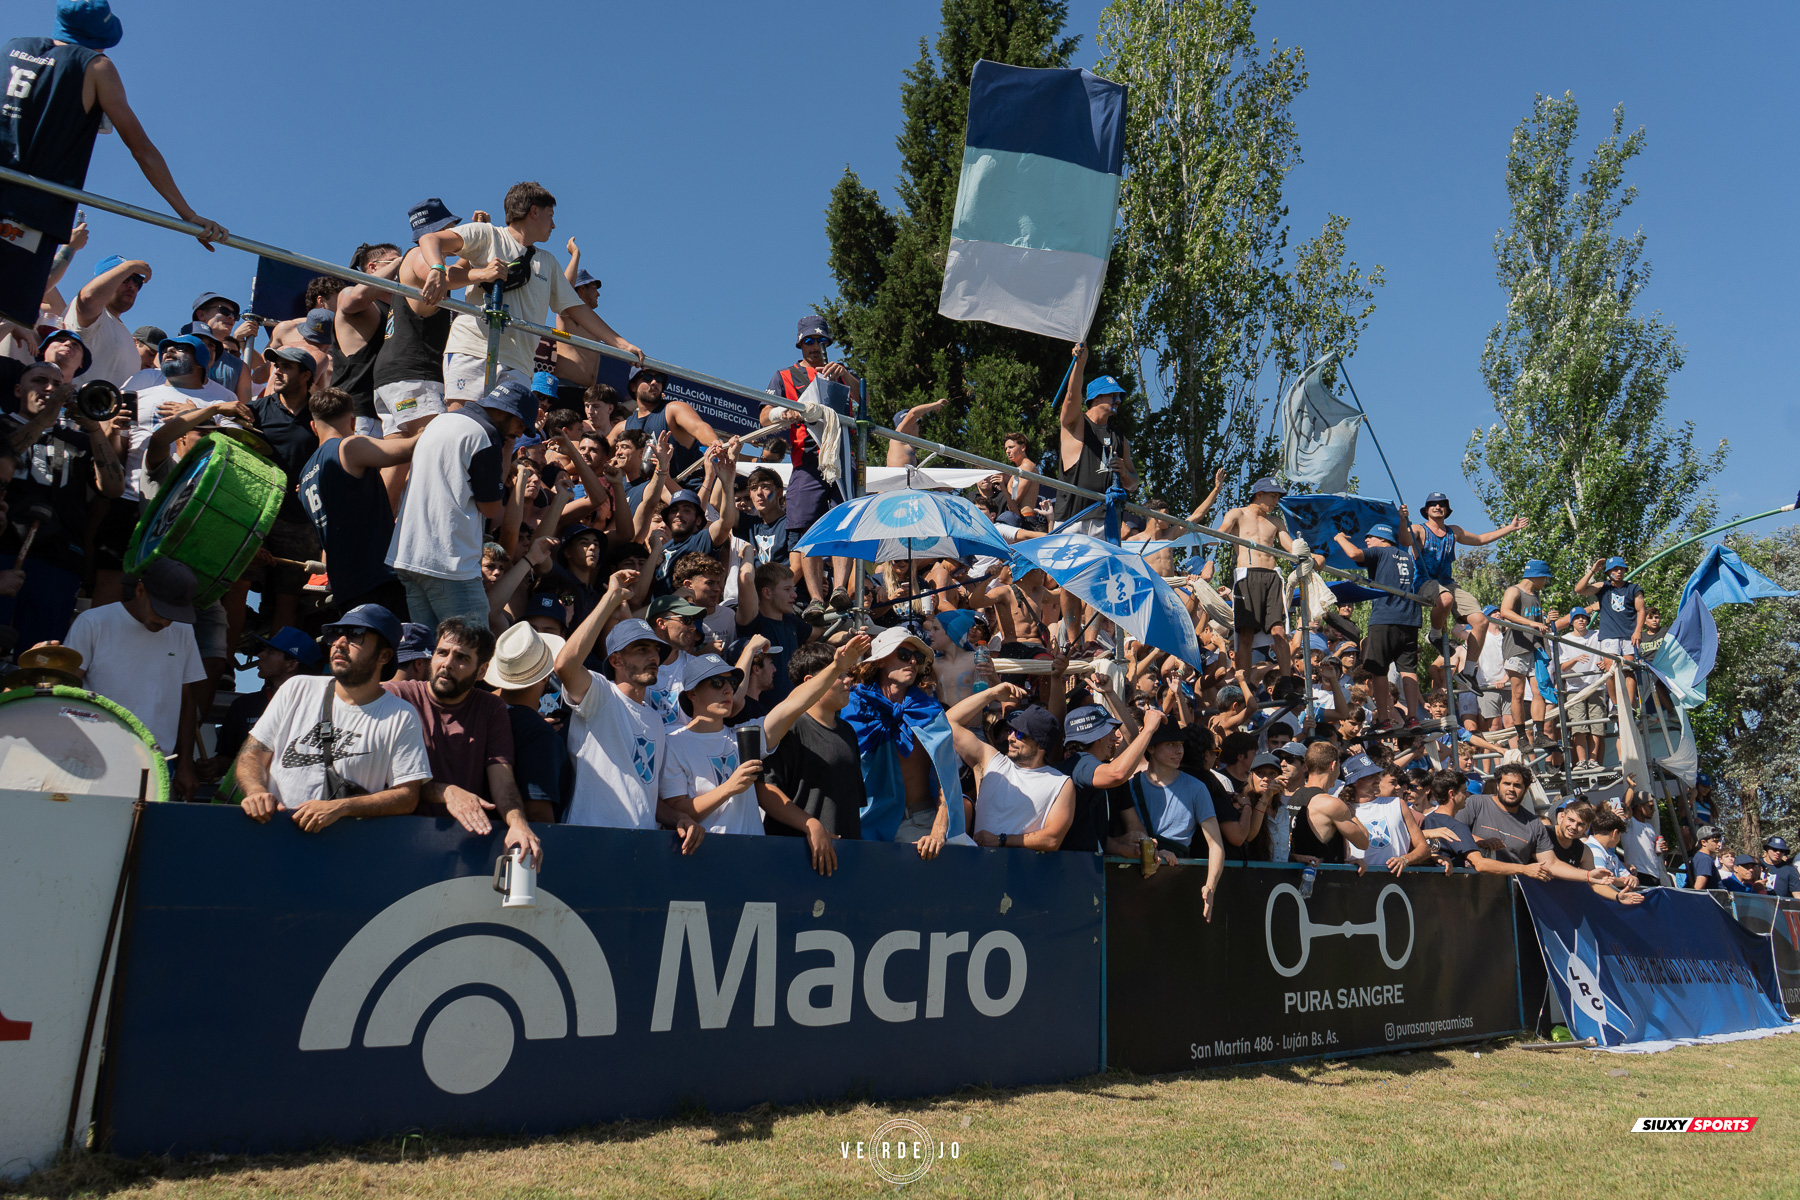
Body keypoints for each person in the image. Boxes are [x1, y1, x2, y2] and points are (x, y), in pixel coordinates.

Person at [1, 1, 225, 329]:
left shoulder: (12, 47)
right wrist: (187, 215)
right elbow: (142, 149)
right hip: (28, 209)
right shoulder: (96, 66)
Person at [418, 181, 643, 403]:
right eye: (551, 215)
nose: (553, 225)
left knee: (503, 438)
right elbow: (430, 239)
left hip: (520, 363)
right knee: (462, 424)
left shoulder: (549, 262)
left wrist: (623, 345)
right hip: (473, 349)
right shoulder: (487, 234)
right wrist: (437, 269)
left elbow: (578, 309)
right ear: (534, 211)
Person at [671, 636, 871, 868]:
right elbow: (677, 812)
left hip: (752, 860)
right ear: (691, 694)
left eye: (731, 683)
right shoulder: (673, 742)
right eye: (716, 683)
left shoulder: (745, 737)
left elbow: (793, 704)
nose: (727, 690)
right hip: (700, 860)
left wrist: (837, 666)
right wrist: (729, 788)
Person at [237, 605, 430, 832]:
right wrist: (256, 792)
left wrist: (342, 807)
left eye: (355, 635)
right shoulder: (296, 688)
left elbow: (407, 796)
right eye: (335, 634)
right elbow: (251, 755)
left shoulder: (401, 716)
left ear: (384, 655)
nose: (339, 643)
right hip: (275, 836)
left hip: (344, 851)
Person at [552, 569, 704, 847]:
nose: (653, 656)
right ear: (616, 661)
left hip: (640, 847)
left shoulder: (656, 721)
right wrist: (610, 599)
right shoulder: (599, 694)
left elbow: (646, 794)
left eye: (656, 650)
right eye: (641, 649)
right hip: (590, 842)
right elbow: (564, 665)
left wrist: (678, 817)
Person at [379, 618, 540, 863]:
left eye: (462, 658)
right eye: (442, 653)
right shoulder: (396, 696)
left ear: (482, 671)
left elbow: (502, 779)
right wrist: (444, 792)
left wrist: (518, 823)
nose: (447, 664)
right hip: (394, 838)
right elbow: (376, 780)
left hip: (462, 849)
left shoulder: (491, 708)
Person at [387, 378, 536, 628]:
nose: (520, 432)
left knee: (428, 651)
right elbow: (490, 508)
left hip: (408, 556)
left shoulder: (441, 420)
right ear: (504, 411)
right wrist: (505, 453)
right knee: (471, 650)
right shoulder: (486, 435)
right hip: (448, 563)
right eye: (520, 423)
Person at [0, 363, 123, 646]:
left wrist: (93, 427)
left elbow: (113, 488)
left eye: (57, 385)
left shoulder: (78, 439)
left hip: (59, 560)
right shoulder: (3, 425)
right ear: (19, 390)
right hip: (4, 548)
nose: (49, 389)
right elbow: (4, 456)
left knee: (37, 658)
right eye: (40, 381)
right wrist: (47, 417)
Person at [61, 558, 205, 798]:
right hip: (94, 756)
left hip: (157, 762)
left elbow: (187, 701)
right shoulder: (93, 622)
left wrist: (185, 765)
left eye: (174, 614)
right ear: (140, 590)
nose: (166, 621)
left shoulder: (183, 631)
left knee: (142, 834)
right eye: (161, 611)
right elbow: (67, 690)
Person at [842, 624, 966, 858]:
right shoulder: (852, 707)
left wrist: (938, 831)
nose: (912, 662)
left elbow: (947, 779)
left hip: (920, 826)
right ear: (879, 661)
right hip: (866, 823)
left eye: (917, 657)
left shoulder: (929, 712)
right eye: (903, 654)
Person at [761, 316, 856, 615]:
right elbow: (764, 415)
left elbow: (864, 402)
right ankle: (816, 598)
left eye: (822, 341)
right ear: (800, 344)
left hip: (842, 460)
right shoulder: (784, 375)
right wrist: (781, 413)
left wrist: (848, 376)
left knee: (845, 523)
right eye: (810, 341)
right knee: (806, 531)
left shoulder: (841, 375)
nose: (816, 347)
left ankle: (840, 589)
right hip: (806, 462)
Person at [300, 385, 416, 616]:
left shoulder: (304, 477)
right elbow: (408, 449)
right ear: (353, 423)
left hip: (347, 587)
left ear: (313, 427)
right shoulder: (349, 447)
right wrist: (440, 422)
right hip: (377, 580)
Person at [760, 638, 868, 840]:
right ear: (810, 682)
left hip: (846, 857)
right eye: (838, 674)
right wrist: (811, 826)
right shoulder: (789, 727)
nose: (848, 681)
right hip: (796, 857)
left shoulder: (848, 731)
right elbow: (765, 789)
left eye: (847, 673)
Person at [247, 344, 323, 632]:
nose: (277, 370)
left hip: (301, 522)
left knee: (288, 600)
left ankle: (280, 673)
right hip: (257, 517)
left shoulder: (321, 414)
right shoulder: (254, 411)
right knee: (237, 588)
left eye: (286, 366)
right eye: (275, 365)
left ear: (306, 376)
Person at [941, 693, 1076, 852]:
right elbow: (948, 722)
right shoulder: (992, 761)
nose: (1011, 737)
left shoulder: (1061, 783)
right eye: (1011, 730)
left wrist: (1001, 840)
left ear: (1041, 746)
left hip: (1022, 873)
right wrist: (992, 693)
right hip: (981, 869)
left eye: (1020, 734)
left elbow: (1052, 839)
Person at [1406, 492, 1525, 670]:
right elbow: (1403, 539)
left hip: (1448, 584)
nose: (1438, 507)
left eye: (1441, 504)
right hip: (1425, 582)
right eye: (1433, 504)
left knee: (1481, 620)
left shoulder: (1454, 531)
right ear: (1426, 509)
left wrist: (1510, 528)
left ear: (1446, 510)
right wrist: (1402, 521)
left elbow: (1480, 539)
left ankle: (1469, 672)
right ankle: (1435, 635)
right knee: (1445, 598)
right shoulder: (1418, 529)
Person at [1216, 477, 1314, 689]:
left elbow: (1291, 548)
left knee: (1279, 632)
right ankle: (1244, 684)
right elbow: (1219, 533)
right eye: (1273, 496)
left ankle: (1286, 680)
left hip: (1271, 576)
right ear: (1259, 494)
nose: (1276, 501)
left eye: (1278, 497)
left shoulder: (1276, 522)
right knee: (1246, 634)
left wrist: (1309, 554)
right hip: (1247, 576)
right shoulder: (1237, 514)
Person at [1334, 516, 1421, 730]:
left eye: (1370, 538)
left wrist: (1338, 538)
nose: (1367, 542)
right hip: (1409, 619)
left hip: (1385, 617)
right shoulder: (1407, 557)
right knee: (1408, 669)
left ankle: (1384, 719)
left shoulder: (1381, 551)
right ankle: (1413, 718)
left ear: (1383, 539)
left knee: (1379, 671)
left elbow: (1354, 553)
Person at [1059, 700, 1157, 856]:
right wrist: (1149, 730)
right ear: (1095, 736)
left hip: (1082, 867)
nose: (1115, 738)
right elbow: (1117, 774)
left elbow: (1088, 835)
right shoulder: (1079, 763)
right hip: (1072, 869)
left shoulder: (1089, 765)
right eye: (1109, 731)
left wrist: (1129, 848)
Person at [215, 625, 317, 769]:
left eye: (271, 651)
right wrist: (212, 767)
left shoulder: (319, 708)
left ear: (291, 665)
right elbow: (227, 759)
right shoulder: (243, 705)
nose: (260, 655)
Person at [1498, 559, 1567, 749]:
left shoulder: (1535, 594)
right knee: (1518, 693)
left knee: (1539, 691)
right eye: (1545, 578)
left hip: (1534, 647)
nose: (1546, 582)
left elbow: (1534, 619)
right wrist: (1531, 623)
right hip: (1517, 647)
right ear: (1537, 575)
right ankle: (1521, 737)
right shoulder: (1514, 591)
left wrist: (1545, 620)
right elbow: (1505, 612)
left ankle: (1540, 734)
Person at [627, 365, 718, 485]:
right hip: (647, 496)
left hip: (685, 494)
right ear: (633, 386)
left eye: (659, 378)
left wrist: (714, 442)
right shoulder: (624, 426)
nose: (655, 382)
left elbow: (699, 427)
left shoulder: (674, 409)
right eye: (647, 377)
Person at [1575, 556, 1646, 710]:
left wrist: (1638, 631)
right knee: (1610, 671)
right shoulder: (1603, 587)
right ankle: (1615, 704)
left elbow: (1641, 610)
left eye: (1621, 569)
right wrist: (1593, 570)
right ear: (1608, 572)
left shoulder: (1634, 588)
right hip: (1609, 635)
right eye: (1615, 569)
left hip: (1629, 635)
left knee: (1628, 669)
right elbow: (1579, 589)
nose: (1619, 572)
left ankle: (1629, 705)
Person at [1288, 742, 1369, 864]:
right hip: (1324, 879)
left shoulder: (1295, 795)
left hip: (1296, 876)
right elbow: (1363, 842)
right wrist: (1352, 815)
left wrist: (1346, 862)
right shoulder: (1331, 804)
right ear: (1333, 765)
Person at [1347, 762, 1429, 876]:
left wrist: (1405, 859)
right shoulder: (1343, 809)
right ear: (1355, 781)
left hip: (1397, 885)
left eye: (1377, 775)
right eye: (1371, 776)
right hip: (1359, 883)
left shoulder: (1398, 804)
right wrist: (1349, 862)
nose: (1377, 780)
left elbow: (1424, 848)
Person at [1558, 607, 1607, 771]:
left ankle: (1593, 761)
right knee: (1578, 725)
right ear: (1571, 622)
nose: (1581, 620)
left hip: (1596, 686)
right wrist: (1575, 659)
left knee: (1597, 724)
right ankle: (1581, 761)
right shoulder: (1564, 640)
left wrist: (1604, 662)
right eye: (1577, 618)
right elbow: (1562, 666)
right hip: (1574, 689)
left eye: (1584, 617)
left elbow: (1608, 654)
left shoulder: (1598, 635)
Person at [1688, 824, 1724, 890]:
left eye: (1719, 841)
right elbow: (1699, 887)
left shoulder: (1702, 857)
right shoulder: (1705, 859)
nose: (1719, 844)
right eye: (1715, 841)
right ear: (1703, 842)